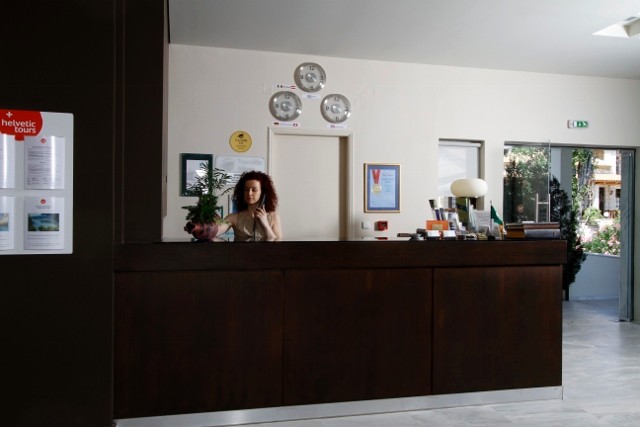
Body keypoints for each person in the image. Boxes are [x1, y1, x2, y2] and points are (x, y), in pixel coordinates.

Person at [216, 171, 283, 241]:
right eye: (246, 190)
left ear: (263, 193)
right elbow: (216, 231)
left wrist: (265, 224)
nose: (249, 193)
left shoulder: (273, 216)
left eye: (254, 190)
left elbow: (278, 243)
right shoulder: (233, 217)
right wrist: (213, 217)